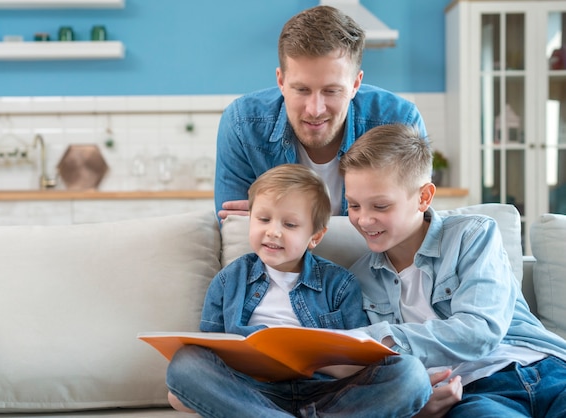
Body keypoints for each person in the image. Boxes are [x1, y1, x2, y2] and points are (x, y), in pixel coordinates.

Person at [167, 164, 432, 418]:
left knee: (412, 375)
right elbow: (211, 349)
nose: (273, 232)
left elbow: (359, 361)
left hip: (326, 393)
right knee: (186, 364)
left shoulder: (339, 284)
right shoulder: (229, 281)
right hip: (253, 391)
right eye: (263, 219)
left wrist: (315, 361)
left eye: (290, 225)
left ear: (315, 236)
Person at [340, 123, 566, 417]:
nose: (364, 219)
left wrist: (381, 338)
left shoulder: (472, 236)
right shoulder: (359, 280)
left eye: (380, 206)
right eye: (354, 205)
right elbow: (377, 372)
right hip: (474, 392)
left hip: (544, 368)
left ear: (423, 197)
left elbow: (480, 329)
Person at [215, 5, 426, 221]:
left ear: (355, 84)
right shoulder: (241, 123)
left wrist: (277, 221)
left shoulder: (400, 121)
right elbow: (235, 231)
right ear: (281, 81)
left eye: (331, 91)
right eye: (302, 90)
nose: (315, 110)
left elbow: (410, 229)